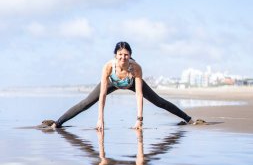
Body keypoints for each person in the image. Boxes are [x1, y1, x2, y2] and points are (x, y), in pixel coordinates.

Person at [42, 41, 194, 129]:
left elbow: (139, 95)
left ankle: (188, 119)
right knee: (87, 102)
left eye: (126, 54)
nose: (123, 57)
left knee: (159, 102)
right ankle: (58, 123)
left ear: (130, 55)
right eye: (120, 54)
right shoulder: (108, 66)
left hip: (131, 81)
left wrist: (139, 120)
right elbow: (102, 95)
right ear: (116, 55)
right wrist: (100, 119)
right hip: (111, 82)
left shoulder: (135, 68)